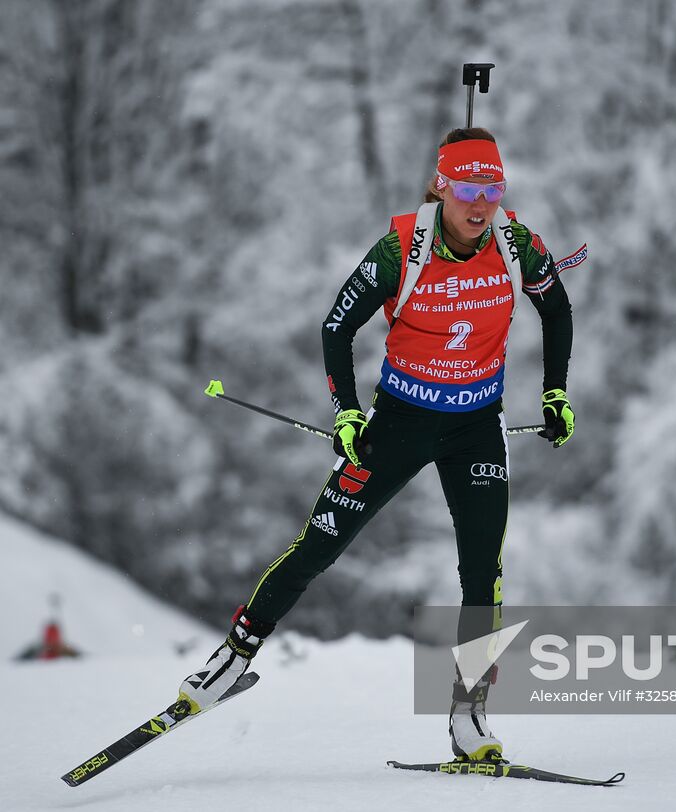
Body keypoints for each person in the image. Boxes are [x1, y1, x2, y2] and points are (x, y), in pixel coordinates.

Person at [178, 128, 575, 762]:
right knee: (320, 544)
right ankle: (232, 658)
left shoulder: (517, 244)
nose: (482, 204)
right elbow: (337, 328)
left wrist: (554, 394)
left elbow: (557, 311)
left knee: (483, 571)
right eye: (470, 188)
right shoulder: (400, 250)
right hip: (397, 423)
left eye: (493, 189)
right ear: (442, 187)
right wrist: (347, 414)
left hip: (476, 425)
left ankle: (469, 714)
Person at [16, 620, 82, 661]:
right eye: (50, 639)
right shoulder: (36, 650)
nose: (52, 643)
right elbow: (19, 660)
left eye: (54, 639)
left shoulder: (66, 651)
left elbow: (81, 658)